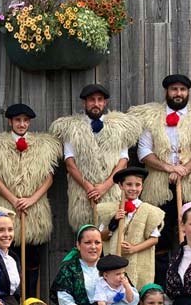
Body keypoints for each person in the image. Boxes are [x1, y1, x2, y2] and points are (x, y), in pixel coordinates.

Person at [128, 74, 191, 280]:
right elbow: (144, 152)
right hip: (159, 185)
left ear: (188, 92)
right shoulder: (151, 117)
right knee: (160, 235)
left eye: (182, 89)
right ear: (167, 92)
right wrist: (168, 167)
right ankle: (160, 289)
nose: (178, 93)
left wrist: (184, 169)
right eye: (174, 89)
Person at [0, 103, 60, 297]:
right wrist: (13, 199)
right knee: (9, 253)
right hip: (7, 206)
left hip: (33, 210)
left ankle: (30, 301)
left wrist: (31, 199)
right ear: (10, 121)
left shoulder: (43, 146)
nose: (21, 124)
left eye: (25, 120)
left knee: (32, 257)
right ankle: (12, 300)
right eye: (18, 120)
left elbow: (49, 177)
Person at [50, 83, 141, 232]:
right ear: (84, 103)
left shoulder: (119, 127)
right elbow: (70, 162)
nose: (96, 104)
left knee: (112, 232)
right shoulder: (72, 129)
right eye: (92, 100)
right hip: (83, 192)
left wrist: (105, 186)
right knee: (87, 233)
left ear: (105, 103)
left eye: (100, 100)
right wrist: (88, 187)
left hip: (111, 189)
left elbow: (123, 160)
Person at [96, 167, 165, 290]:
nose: (133, 188)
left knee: (137, 293)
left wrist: (134, 249)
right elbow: (101, 236)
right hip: (115, 264)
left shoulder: (149, 211)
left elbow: (154, 239)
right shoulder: (109, 210)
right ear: (120, 186)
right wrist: (114, 222)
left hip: (138, 264)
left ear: (142, 186)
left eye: (137, 185)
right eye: (129, 184)